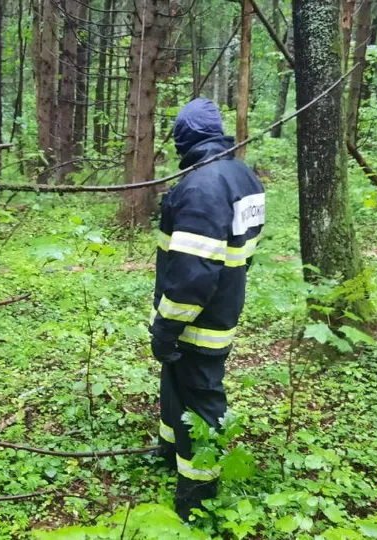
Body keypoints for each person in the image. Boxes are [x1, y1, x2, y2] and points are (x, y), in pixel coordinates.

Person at [149, 98, 266, 520]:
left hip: (197, 321)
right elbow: (243, 250)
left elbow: (192, 277)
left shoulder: (200, 187)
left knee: (201, 395)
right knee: (176, 383)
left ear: (184, 139)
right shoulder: (243, 175)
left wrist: (166, 328)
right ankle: (168, 449)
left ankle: (199, 496)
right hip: (225, 305)